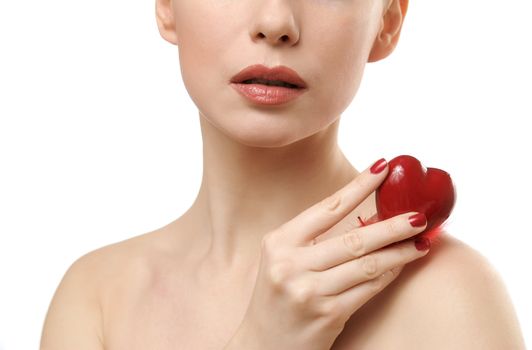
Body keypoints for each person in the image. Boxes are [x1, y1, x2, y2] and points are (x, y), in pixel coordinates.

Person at [40, 0, 526, 348]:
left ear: (388, 22)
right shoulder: (95, 297)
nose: (276, 22)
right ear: (167, 6)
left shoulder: (448, 296)